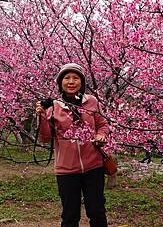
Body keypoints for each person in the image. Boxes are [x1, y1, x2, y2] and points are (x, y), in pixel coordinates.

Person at [36, 63, 110, 227]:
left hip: (93, 166)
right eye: (67, 78)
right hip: (66, 170)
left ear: (82, 82)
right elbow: (45, 138)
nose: (71, 81)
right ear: (60, 82)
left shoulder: (91, 101)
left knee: (97, 212)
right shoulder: (54, 106)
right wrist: (42, 117)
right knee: (70, 216)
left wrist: (101, 135)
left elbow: (103, 125)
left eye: (75, 78)